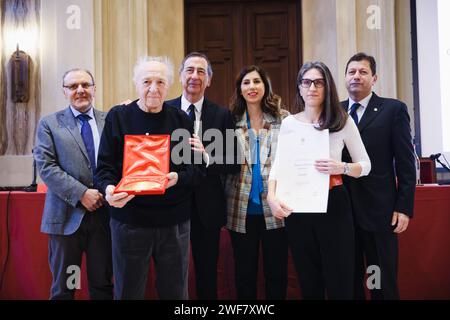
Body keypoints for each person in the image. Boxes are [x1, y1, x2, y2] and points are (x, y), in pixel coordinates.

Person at [95, 56, 205, 300]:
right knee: (127, 292)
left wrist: (177, 177)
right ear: (135, 84)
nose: (154, 89)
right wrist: (109, 189)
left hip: (173, 223)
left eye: (160, 82)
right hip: (129, 221)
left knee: (176, 293)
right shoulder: (118, 117)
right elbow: (103, 168)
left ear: (168, 86)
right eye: (147, 81)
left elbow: (196, 170)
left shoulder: (181, 120)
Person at [267, 61, 371, 299]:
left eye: (318, 82)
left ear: (327, 87)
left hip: (333, 203)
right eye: (306, 82)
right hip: (297, 207)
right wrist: (272, 197)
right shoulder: (289, 123)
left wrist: (342, 167)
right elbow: (278, 167)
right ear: (300, 88)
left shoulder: (342, 121)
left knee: (340, 279)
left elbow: (366, 165)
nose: (312, 87)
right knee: (308, 278)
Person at [166, 52, 240, 299]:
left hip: (207, 209)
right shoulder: (164, 111)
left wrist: (207, 156)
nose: (194, 76)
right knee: (172, 274)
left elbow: (233, 163)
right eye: (189, 70)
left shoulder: (221, 115)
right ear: (180, 76)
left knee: (207, 273)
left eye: (201, 71)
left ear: (209, 80)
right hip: (169, 204)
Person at [342, 52, 416, 300]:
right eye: (351, 72)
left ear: (374, 78)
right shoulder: (335, 111)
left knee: (379, 281)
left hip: (380, 213)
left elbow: (405, 163)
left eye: (363, 72)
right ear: (345, 78)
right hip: (342, 212)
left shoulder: (392, 109)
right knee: (348, 281)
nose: (356, 77)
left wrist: (404, 207)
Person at [34, 68, 113, 299]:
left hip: (103, 219)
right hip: (67, 220)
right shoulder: (50, 124)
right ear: (64, 91)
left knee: (102, 285)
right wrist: (81, 194)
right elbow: (46, 167)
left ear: (94, 89)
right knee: (66, 287)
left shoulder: (109, 120)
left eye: (85, 85)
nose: (80, 90)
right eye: (73, 86)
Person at [225, 65, 289, 300]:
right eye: (246, 83)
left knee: (276, 273)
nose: (252, 87)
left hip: (275, 209)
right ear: (240, 89)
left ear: (265, 86)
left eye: (256, 82)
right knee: (244, 273)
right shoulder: (229, 121)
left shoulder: (284, 119)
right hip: (240, 209)